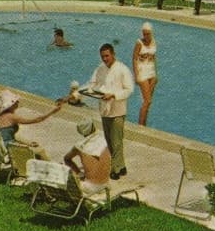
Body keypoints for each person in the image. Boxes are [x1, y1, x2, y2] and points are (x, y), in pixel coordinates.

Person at [83, 43, 134, 179]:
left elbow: (129, 89)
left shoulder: (122, 69)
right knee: (109, 140)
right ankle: (121, 166)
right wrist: (87, 91)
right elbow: (92, 83)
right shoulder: (100, 69)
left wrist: (113, 95)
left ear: (113, 54)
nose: (105, 59)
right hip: (105, 110)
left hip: (118, 110)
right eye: (102, 57)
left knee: (116, 141)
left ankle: (115, 169)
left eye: (107, 56)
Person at [0, 88, 62, 157]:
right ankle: (52, 166)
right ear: (11, 105)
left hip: (3, 145)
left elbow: (9, 136)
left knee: (32, 145)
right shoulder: (12, 117)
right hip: (8, 148)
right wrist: (53, 111)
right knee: (40, 151)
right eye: (16, 101)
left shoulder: (1, 116)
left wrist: (27, 144)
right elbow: (37, 119)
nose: (18, 102)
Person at [63, 119, 112, 193]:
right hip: (105, 184)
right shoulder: (105, 140)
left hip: (90, 187)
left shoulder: (79, 146)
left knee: (64, 173)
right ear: (93, 127)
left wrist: (80, 173)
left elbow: (66, 159)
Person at [132, 21, 158, 126]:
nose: (146, 36)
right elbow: (134, 59)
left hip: (151, 73)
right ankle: (140, 126)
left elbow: (154, 58)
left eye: (148, 34)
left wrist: (156, 74)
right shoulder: (139, 43)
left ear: (151, 33)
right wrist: (136, 75)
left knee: (148, 102)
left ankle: (144, 124)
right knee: (147, 101)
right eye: (144, 34)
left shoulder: (154, 42)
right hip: (142, 73)